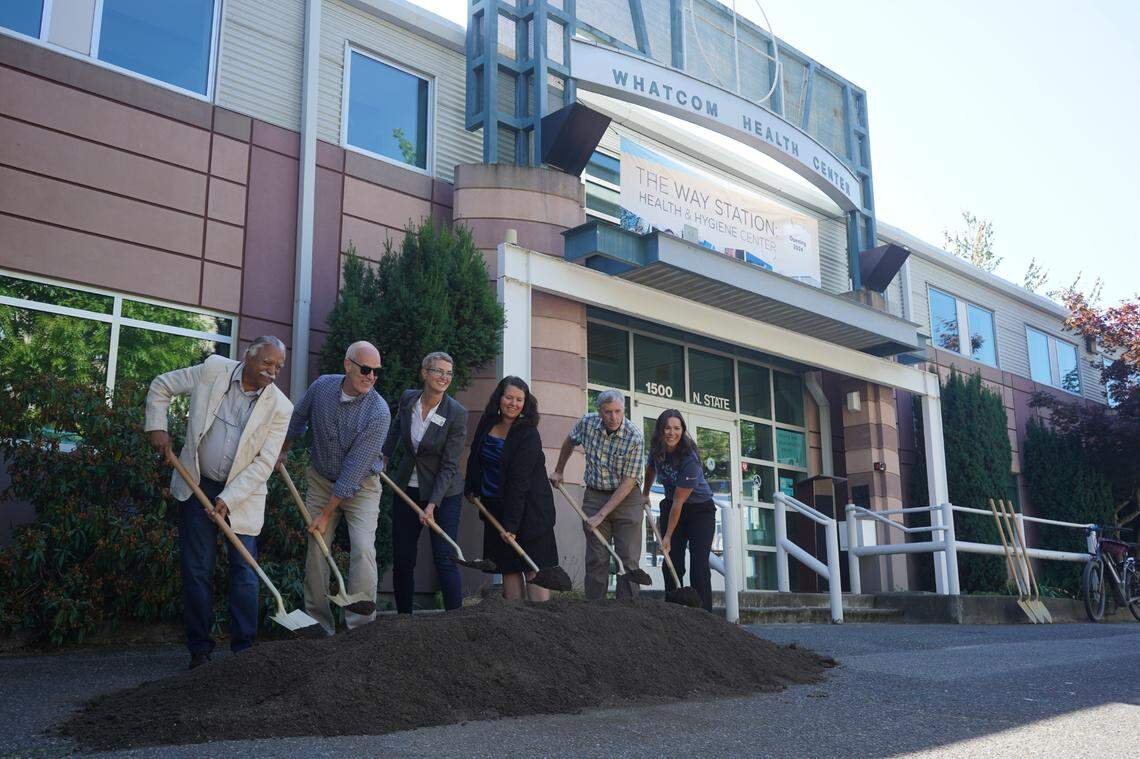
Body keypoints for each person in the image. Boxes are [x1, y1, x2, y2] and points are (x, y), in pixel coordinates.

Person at [144, 336, 293, 669]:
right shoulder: (214, 371)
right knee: (197, 570)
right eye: (267, 362)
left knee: (245, 572)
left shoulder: (281, 407)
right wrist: (157, 426)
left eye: (278, 367)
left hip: (242, 496)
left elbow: (264, 463)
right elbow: (162, 384)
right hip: (197, 483)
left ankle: (243, 652)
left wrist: (228, 498)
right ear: (248, 356)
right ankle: (200, 652)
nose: (272, 371)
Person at [280, 341, 391, 634]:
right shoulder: (322, 387)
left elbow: (353, 472)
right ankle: (318, 623)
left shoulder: (379, 412)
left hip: (361, 486)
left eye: (376, 372)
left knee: (364, 550)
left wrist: (326, 514)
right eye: (366, 369)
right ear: (348, 365)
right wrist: (284, 450)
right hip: (320, 478)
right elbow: (298, 419)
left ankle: (360, 626)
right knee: (317, 548)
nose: (371, 377)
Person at [382, 351, 468, 613]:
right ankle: (403, 619)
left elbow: (450, 465)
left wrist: (432, 504)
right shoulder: (409, 399)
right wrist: (384, 455)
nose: (444, 377)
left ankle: (456, 619)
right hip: (407, 487)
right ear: (424, 373)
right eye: (438, 371)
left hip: (444, 493)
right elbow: (397, 427)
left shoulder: (456, 413)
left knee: (445, 558)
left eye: (448, 373)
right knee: (404, 557)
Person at [464, 376, 557, 601]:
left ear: (526, 403)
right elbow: (475, 456)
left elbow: (519, 482)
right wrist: (471, 486)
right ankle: (516, 625)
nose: (513, 403)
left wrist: (512, 525)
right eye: (509, 397)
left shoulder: (528, 434)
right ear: (499, 397)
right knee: (509, 567)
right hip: (497, 508)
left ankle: (541, 622)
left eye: (519, 399)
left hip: (530, 512)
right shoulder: (487, 422)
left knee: (532, 568)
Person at [551, 389, 646, 600]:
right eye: (608, 412)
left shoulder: (635, 437)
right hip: (595, 494)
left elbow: (628, 482)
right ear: (599, 411)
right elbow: (569, 441)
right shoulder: (587, 423)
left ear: (624, 411)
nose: (613, 417)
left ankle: (628, 611)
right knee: (597, 557)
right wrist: (559, 469)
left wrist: (601, 515)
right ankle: (594, 611)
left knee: (628, 558)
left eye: (618, 412)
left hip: (627, 497)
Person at [643, 409, 716, 612]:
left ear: (682, 430)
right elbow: (650, 469)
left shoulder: (689, 457)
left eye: (677, 428)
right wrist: (645, 493)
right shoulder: (657, 448)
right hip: (671, 506)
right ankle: (673, 612)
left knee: (699, 564)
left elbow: (679, 501)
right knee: (671, 562)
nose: (672, 433)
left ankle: (703, 614)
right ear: (660, 430)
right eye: (667, 428)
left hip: (700, 511)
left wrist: (667, 536)